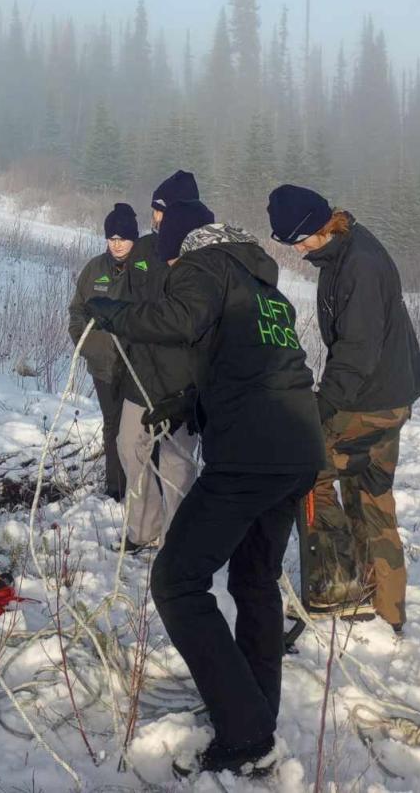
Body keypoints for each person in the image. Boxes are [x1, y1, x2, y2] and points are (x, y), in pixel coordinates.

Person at [87, 201, 325, 781]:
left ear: (181, 237)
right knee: (254, 580)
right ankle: (255, 709)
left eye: (166, 237)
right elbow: (249, 365)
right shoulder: (263, 286)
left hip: (249, 456)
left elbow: (176, 321)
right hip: (296, 450)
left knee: (175, 579)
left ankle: (244, 731)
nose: (162, 251)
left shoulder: (203, 263)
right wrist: (186, 405)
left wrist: (112, 312)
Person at [267, 185, 420, 633]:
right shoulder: (344, 250)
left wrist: (322, 408)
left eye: (296, 240)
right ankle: (387, 612)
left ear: (316, 227)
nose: (296, 251)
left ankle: (338, 587)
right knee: (371, 494)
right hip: (386, 395)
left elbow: (355, 352)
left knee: (310, 470)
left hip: (371, 401)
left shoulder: (360, 266)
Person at [113, 200, 208, 553]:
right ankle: (142, 527)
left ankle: (177, 539)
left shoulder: (199, 259)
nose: (155, 217)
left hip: (182, 382)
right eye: (153, 208)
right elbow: (125, 297)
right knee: (128, 444)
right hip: (141, 372)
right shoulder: (144, 249)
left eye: (163, 211)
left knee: (177, 460)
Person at [68, 202, 144, 501]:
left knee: (136, 431)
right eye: (111, 238)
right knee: (112, 425)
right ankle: (115, 488)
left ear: (133, 238)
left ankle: (142, 491)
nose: (117, 244)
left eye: (122, 238)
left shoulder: (144, 268)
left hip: (137, 366)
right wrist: (85, 344)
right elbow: (77, 310)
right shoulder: (94, 269)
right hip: (103, 365)